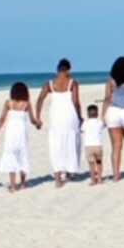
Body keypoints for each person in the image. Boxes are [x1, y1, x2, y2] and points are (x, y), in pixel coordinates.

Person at [35, 59, 82, 188]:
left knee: (56, 145)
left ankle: (57, 178)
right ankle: (68, 172)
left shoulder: (49, 84)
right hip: (70, 116)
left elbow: (39, 100)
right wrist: (80, 116)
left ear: (58, 69)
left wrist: (38, 118)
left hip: (56, 117)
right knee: (70, 142)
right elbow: (76, 102)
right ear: (68, 70)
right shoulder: (73, 83)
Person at [0, 82, 42, 193]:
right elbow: (32, 120)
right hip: (21, 132)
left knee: (11, 154)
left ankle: (12, 185)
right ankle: (22, 183)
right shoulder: (26, 104)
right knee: (23, 154)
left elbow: (2, 119)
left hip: (11, 132)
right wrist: (38, 124)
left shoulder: (8, 103)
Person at [81, 105, 105, 186]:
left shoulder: (85, 123)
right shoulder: (99, 122)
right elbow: (103, 126)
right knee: (99, 162)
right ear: (97, 114)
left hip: (89, 146)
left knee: (91, 164)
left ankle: (93, 180)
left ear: (87, 114)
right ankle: (100, 179)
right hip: (98, 146)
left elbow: (82, 130)